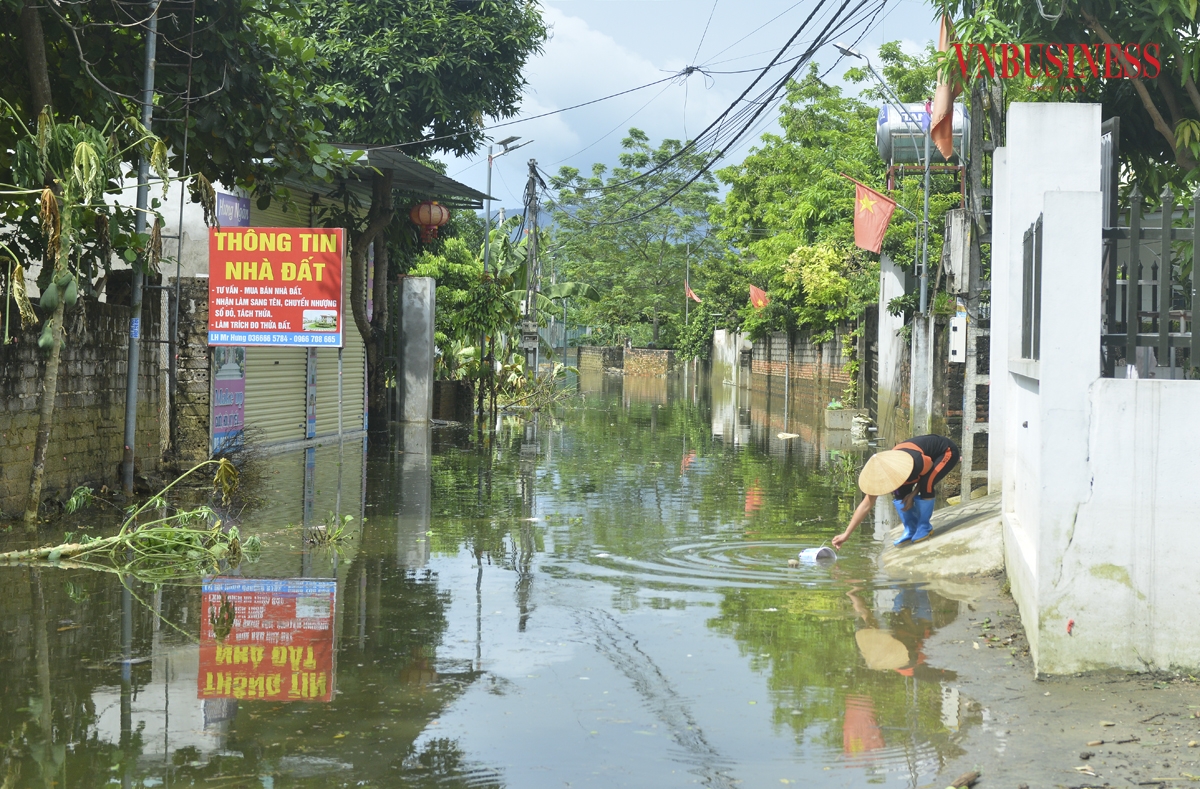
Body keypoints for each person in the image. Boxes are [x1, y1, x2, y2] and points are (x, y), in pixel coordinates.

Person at [831, 434, 960, 549]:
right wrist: (846, 534)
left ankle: (924, 527)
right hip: (918, 461)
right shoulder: (881, 473)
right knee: (899, 494)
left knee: (927, 483)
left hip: (945, 453)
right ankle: (911, 528)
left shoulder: (915, 461)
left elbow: (929, 469)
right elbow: (865, 505)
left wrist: (913, 494)